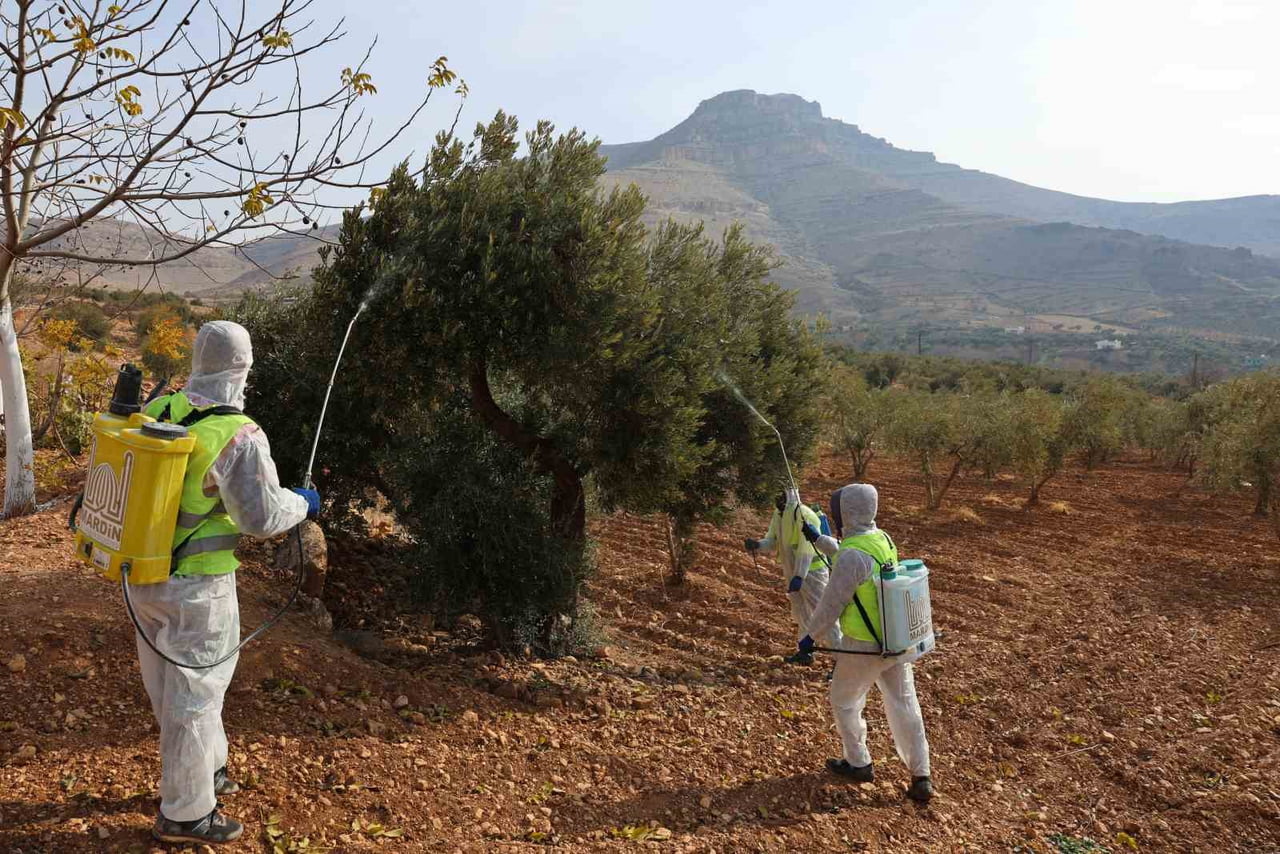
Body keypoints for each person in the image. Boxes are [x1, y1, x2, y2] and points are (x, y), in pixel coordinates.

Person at [130, 321, 320, 845]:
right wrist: (304, 503)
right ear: (243, 368)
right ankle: (186, 813)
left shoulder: (162, 409)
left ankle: (206, 774)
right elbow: (260, 518)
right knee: (195, 694)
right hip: (197, 590)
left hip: (143, 577)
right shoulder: (238, 434)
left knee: (171, 687)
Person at [796, 483, 933, 803]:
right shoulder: (882, 539)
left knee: (844, 701)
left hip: (862, 646)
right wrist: (819, 539)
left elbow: (832, 603)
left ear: (848, 512)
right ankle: (921, 774)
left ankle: (858, 762)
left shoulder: (852, 554)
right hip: (895, 641)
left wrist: (807, 637)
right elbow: (852, 556)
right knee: (905, 705)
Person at [744, 488, 836, 664]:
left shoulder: (803, 514)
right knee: (801, 613)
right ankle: (805, 651)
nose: (777, 499)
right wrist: (757, 545)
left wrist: (800, 575)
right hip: (794, 574)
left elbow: (805, 549)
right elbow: (773, 541)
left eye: (780, 494)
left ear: (788, 494)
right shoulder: (779, 515)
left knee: (823, 613)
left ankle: (841, 658)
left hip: (813, 574)